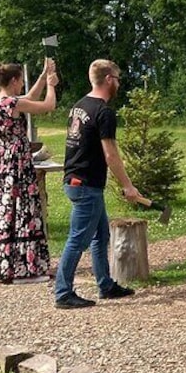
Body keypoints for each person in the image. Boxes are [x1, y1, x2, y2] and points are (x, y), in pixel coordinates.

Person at [53, 59, 140, 309]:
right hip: (86, 184)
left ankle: (105, 284)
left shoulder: (79, 105)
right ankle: (63, 292)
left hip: (77, 180)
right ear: (109, 79)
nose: (120, 84)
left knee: (101, 235)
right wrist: (127, 185)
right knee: (77, 240)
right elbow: (110, 154)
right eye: (119, 79)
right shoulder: (104, 112)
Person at [0, 60, 58, 284]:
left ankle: (6, 263)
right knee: (23, 208)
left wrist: (44, 75)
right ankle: (24, 267)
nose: (22, 85)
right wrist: (52, 85)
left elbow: (29, 98)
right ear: (14, 81)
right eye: (21, 81)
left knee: (6, 209)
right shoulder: (12, 104)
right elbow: (47, 106)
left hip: (4, 161)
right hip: (18, 162)